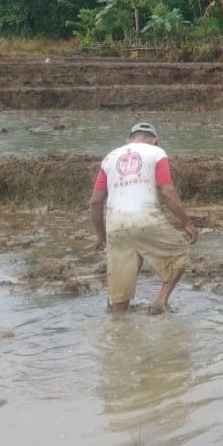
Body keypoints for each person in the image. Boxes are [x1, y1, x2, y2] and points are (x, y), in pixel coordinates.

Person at [88, 122, 199, 314]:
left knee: (119, 294)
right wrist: (186, 222)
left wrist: (100, 234)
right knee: (180, 255)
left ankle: (118, 331)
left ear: (129, 140)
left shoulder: (109, 158)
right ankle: (160, 301)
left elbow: (96, 201)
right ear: (154, 140)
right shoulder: (156, 153)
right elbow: (166, 190)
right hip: (146, 218)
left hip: (116, 224)